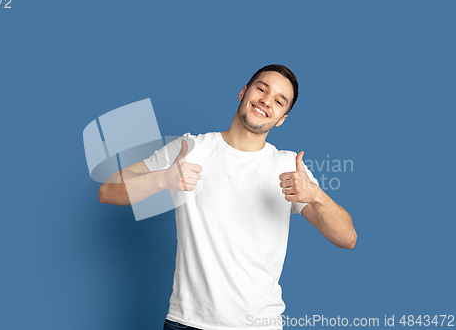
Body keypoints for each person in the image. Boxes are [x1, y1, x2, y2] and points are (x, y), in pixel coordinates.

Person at [99, 64, 357, 330]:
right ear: (243, 91)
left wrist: (315, 195)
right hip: (187, 323)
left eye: (279, 101)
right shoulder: (191, 148)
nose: (266, 101)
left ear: (282, 118)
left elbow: (347, 238)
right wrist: (162, 178)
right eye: (261, 89)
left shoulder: (288, 166)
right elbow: (107, 191)